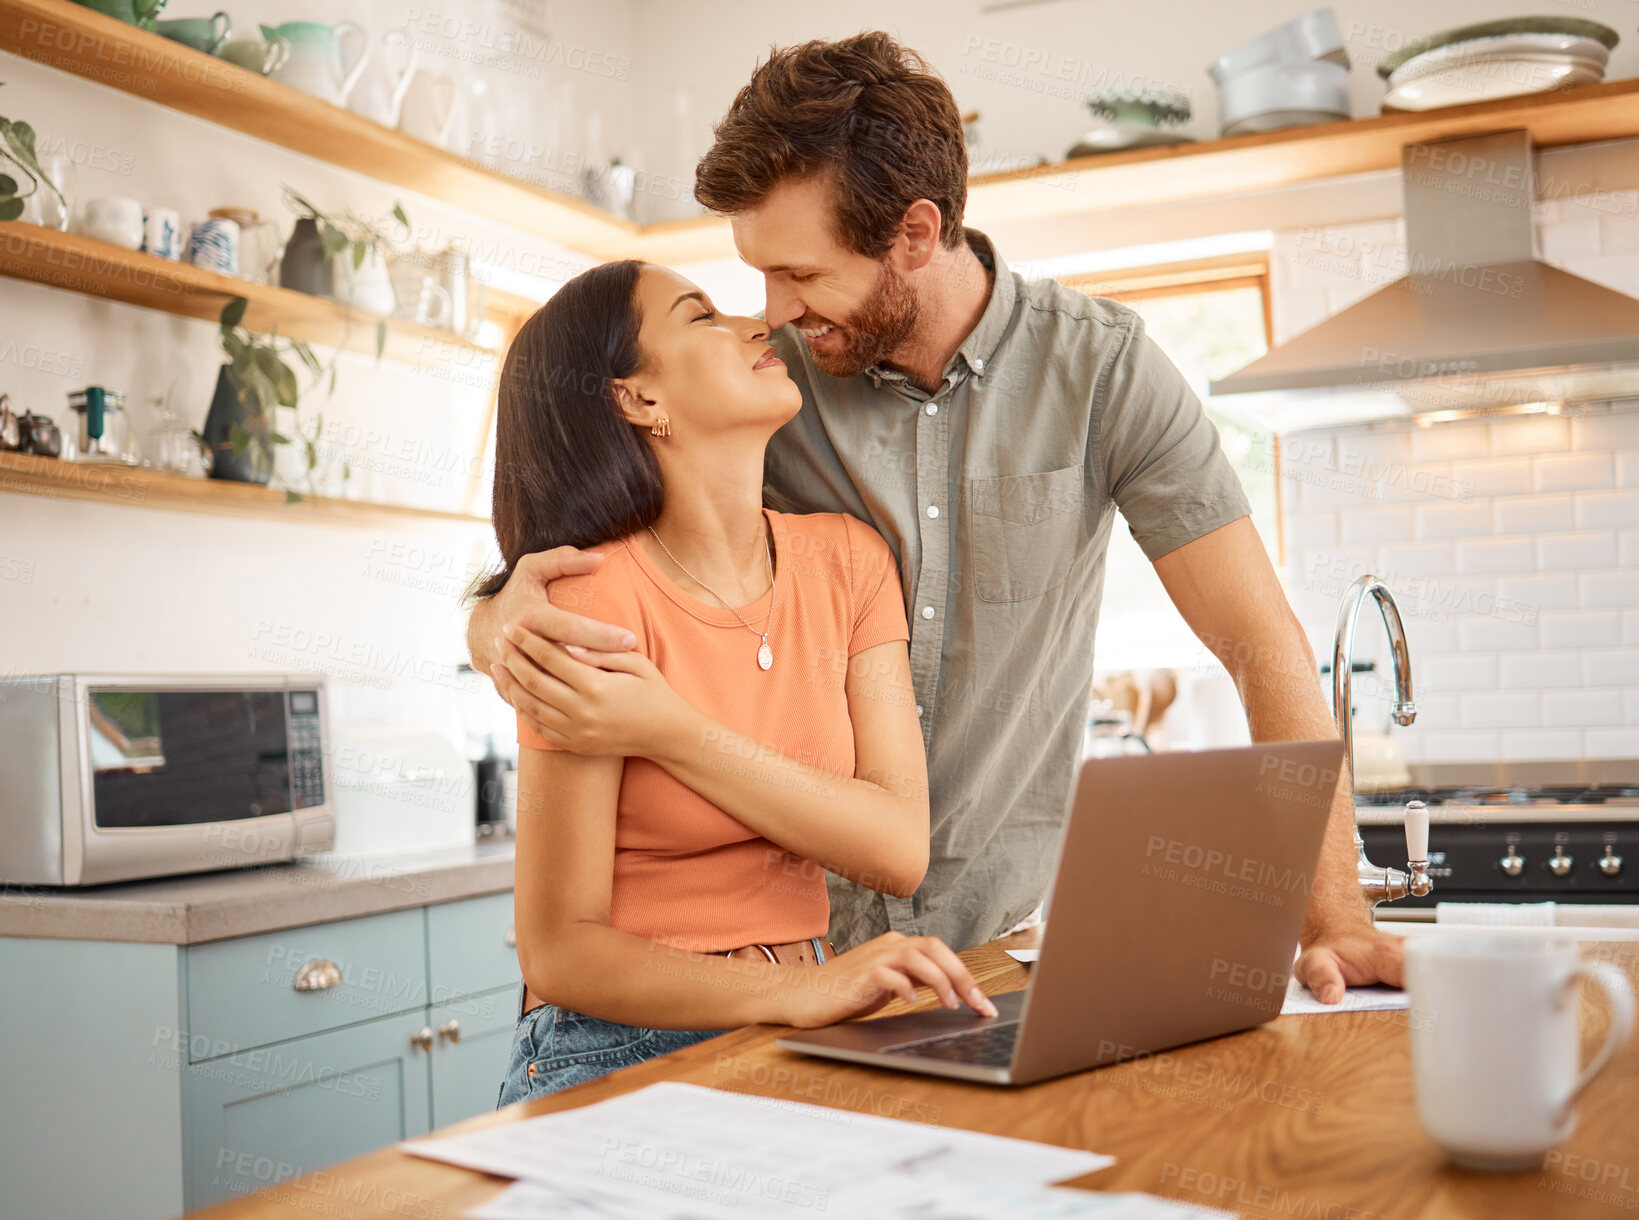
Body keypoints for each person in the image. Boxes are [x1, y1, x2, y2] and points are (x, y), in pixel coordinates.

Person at [471, 32, 1403, 1005]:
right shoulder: (777, 390)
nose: (775, 312)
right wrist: (497, 617)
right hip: (791, 966)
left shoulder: (1102, 374)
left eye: (801, 272)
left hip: (992, 950)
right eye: (757, 276)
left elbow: (1260, 643)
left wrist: (1336, 916)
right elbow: (596, 501)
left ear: (915, 235)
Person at [482, 258, 995, 1105]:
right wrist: (793, 992)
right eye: (702, 316)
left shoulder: (850, 562)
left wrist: (667, 730)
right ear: (637, 398)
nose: (759, 325)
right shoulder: (589, 600)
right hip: (617, 1044)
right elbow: (559, 949)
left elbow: (897, 848)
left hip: (805, 1011)